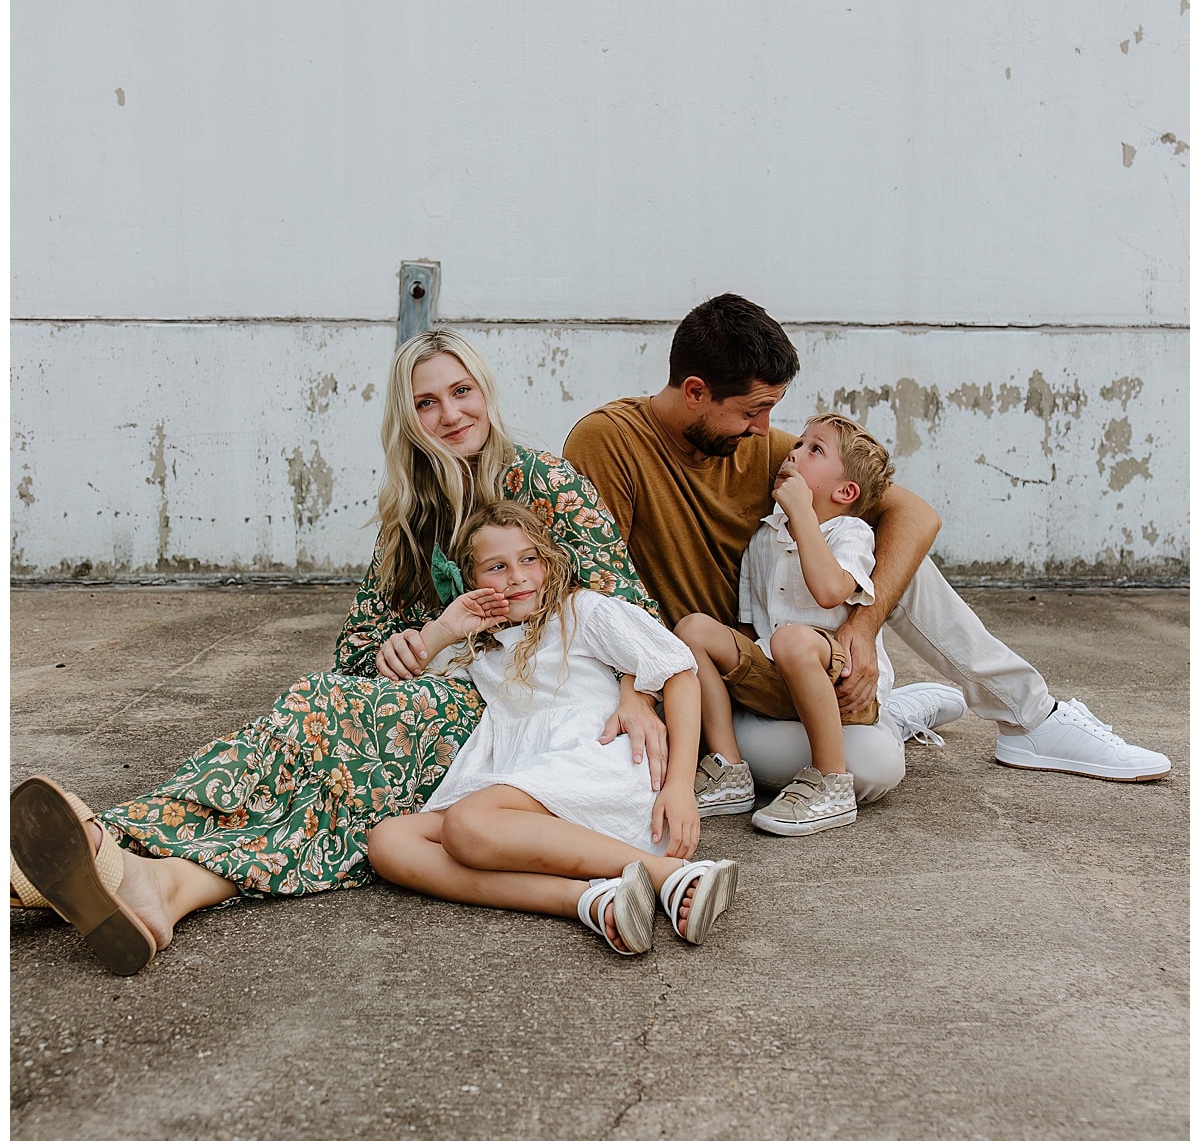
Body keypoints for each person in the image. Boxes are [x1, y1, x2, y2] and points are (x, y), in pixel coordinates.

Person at [10, 330, 665, 974]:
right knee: (317, 763)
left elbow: (626, 601)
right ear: (408, 420)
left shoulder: (545, 481)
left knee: (319, 728)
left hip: (518, 708)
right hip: (440, 689)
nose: (450, 414)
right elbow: (357, 649)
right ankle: (163, 887)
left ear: (485, 392)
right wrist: (408, 646)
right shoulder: (412, 512)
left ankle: (107, 847)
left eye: (461, 391)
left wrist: (638, 695)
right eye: (427, 403)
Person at [564, 294, 1171, 808]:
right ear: (696, 391)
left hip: (799, 653)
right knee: (877, 766)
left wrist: (860, 626)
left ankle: (1033, 719)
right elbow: (597, 585)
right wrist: (632, 692)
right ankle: (897, 715)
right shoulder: (609, 442)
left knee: (882, 549)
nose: (764, 430)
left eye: (771, 411)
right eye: (753, 411)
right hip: (721, 678)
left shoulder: (762, 448)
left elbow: (914, 513)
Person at [368, 502, 738, 954]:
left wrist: (680, 786)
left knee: (467, 824)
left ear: (549, 561)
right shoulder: (475, 644)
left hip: (592, 763)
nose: (518, 577)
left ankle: (667, 876)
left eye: (529, 559)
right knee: (390, 842)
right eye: (496, 567)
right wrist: (445, 629)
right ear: (471, 583)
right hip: (523, 785)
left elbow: (678, 671)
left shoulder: (580, 612)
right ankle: (591, 900)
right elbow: (393, 680)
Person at [678, 413, 908, 836]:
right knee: (694, 629)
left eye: (814, 450)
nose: (794, 452)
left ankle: (831, 781)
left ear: (845, 491)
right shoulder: (764, 538)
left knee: (793, 641)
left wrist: (802, 513)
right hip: (776, 677)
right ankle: (730, 770)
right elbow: (749, 631)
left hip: (840, 684)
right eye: (799, 443)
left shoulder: (849, 531)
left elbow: (829, 591)